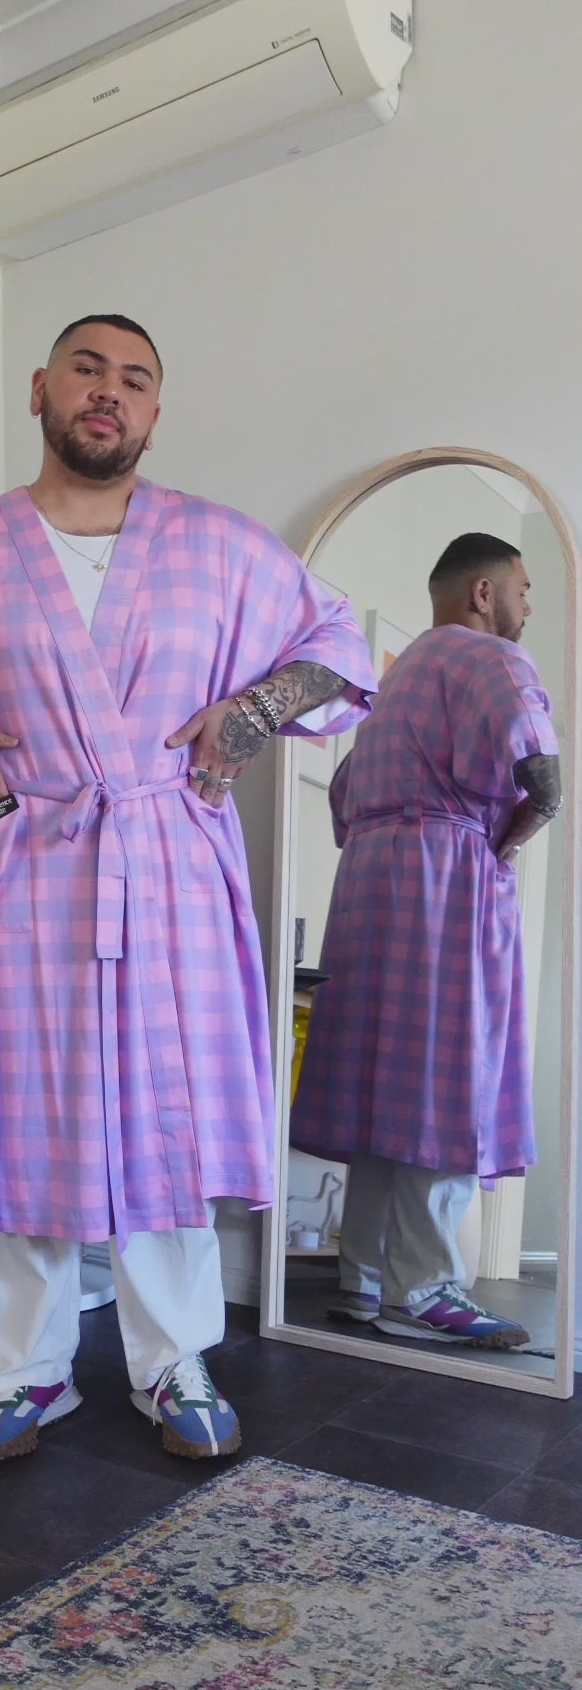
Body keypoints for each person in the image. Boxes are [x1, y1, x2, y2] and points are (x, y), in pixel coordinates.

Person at [0, 314, 374, 1460]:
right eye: (87, 370)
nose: (108, 393)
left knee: (162, 1114)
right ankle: (29, 1373)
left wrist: (254, 709)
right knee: (22, 1114)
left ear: (155, 413)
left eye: (135, 380)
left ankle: (174, 1366)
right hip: (19, 861)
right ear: (41, 391)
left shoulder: (218, 547)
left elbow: (342, 648)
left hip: (164, 857)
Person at [291, 532, 561, 1347]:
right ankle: (430, 1288)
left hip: (369, 885)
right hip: (447, 875)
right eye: (521, 588)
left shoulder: (393, 677)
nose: (527, 606)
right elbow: (543, 782)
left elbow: (342, 801)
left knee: (385, 1085)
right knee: (451, 1077)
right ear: (484, 593)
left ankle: (363, 1279)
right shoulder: (493, 662)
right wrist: (505, 845)